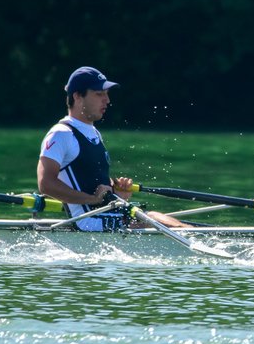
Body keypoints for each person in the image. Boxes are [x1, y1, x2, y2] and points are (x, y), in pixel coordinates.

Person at [37, 66, 185, 231]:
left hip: (105, 214)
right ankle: (198, 238)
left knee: (156, 216)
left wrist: (117, 192)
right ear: (78, 96)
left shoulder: (93, 133)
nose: (107, 100)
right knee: (151, 219)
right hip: (88, 222)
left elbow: (91, 180)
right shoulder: (61, 134)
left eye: (107, 94)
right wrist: (92, 199)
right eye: (99, 94)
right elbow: (46, 184)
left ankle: (195, 233)